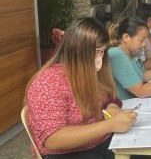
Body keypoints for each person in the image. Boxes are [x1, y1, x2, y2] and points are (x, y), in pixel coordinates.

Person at [25, 17, 138, 158]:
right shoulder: (47, 83)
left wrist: (112, 108)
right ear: (76, 50)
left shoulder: (88, 71)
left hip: (99, 143)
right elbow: (52, 139)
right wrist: (110, 125)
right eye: (96, 51)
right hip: (69, 153)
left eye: (102, 51)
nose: (100, 58)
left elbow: (109, 97)